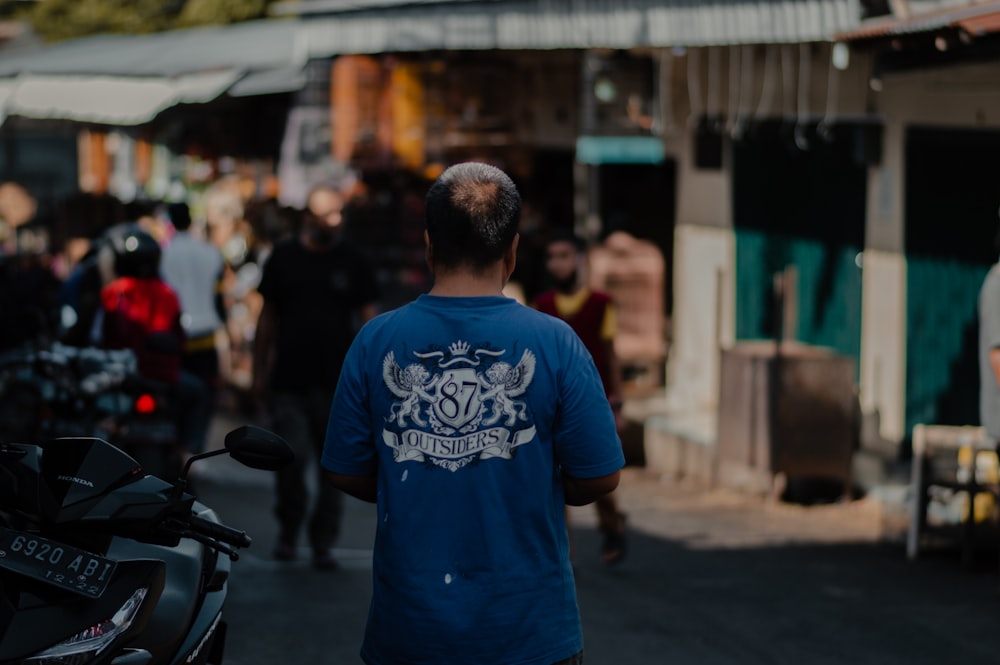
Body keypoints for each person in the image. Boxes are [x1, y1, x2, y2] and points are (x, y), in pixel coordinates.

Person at [321, 162, 624, 665]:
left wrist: (419, 476)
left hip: (410, 631)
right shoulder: (555, 342)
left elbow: (344, 469)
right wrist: (527, 477)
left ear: (429, 245)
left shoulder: (377, 340)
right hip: (530, 634)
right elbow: (600, 476)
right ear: (513, 250)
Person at [252, 182, 379, 570]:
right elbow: (267, 317)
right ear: (308, 218)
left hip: (339, 385)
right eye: (327, 215)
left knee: (335, 469)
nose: (336, 222)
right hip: (289, 382)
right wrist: (259, 372)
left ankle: (322, 542)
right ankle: (289, 532)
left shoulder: (353, 260)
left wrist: (371, 377)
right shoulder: (283, 258)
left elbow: (368, 321)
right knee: (291, 460)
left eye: (340, 214)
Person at [532, 228, 629, 565]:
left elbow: (611, 354)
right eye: (551, 257)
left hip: (594, 401)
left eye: (564, 256)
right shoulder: (541, 305)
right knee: (555, 480)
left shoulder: (602, 304)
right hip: (553, 404)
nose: (557, 264)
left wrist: (617, 401)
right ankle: (564, 554)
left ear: (579, 260)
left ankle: (613, 525)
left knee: (597, 473)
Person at [99, 224, 211, 457]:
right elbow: (179, 340)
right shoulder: (167, 293)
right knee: (200, 392)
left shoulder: (113, 292)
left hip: (122, 379)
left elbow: (102, 337)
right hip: (163, 378)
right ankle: (188, 451)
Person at [160, 201, 226, 413]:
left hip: (176, 336)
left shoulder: (163, 254)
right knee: (205, 395)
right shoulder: (211, 253)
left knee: (178, 397)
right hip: (206, 333)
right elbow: (218, 296)